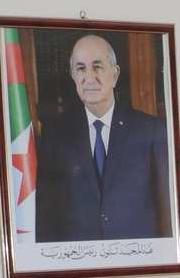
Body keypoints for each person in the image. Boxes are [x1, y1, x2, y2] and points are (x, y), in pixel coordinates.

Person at [35, 33, 172, 243]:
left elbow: (167, 211)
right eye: (81, 68)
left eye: (97, 67)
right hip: (79, 258)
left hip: (136, 257)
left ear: (114, 75)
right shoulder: (55, 134)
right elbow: (46, 217)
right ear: (72, 75)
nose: (89, 78)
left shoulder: (150, 130)